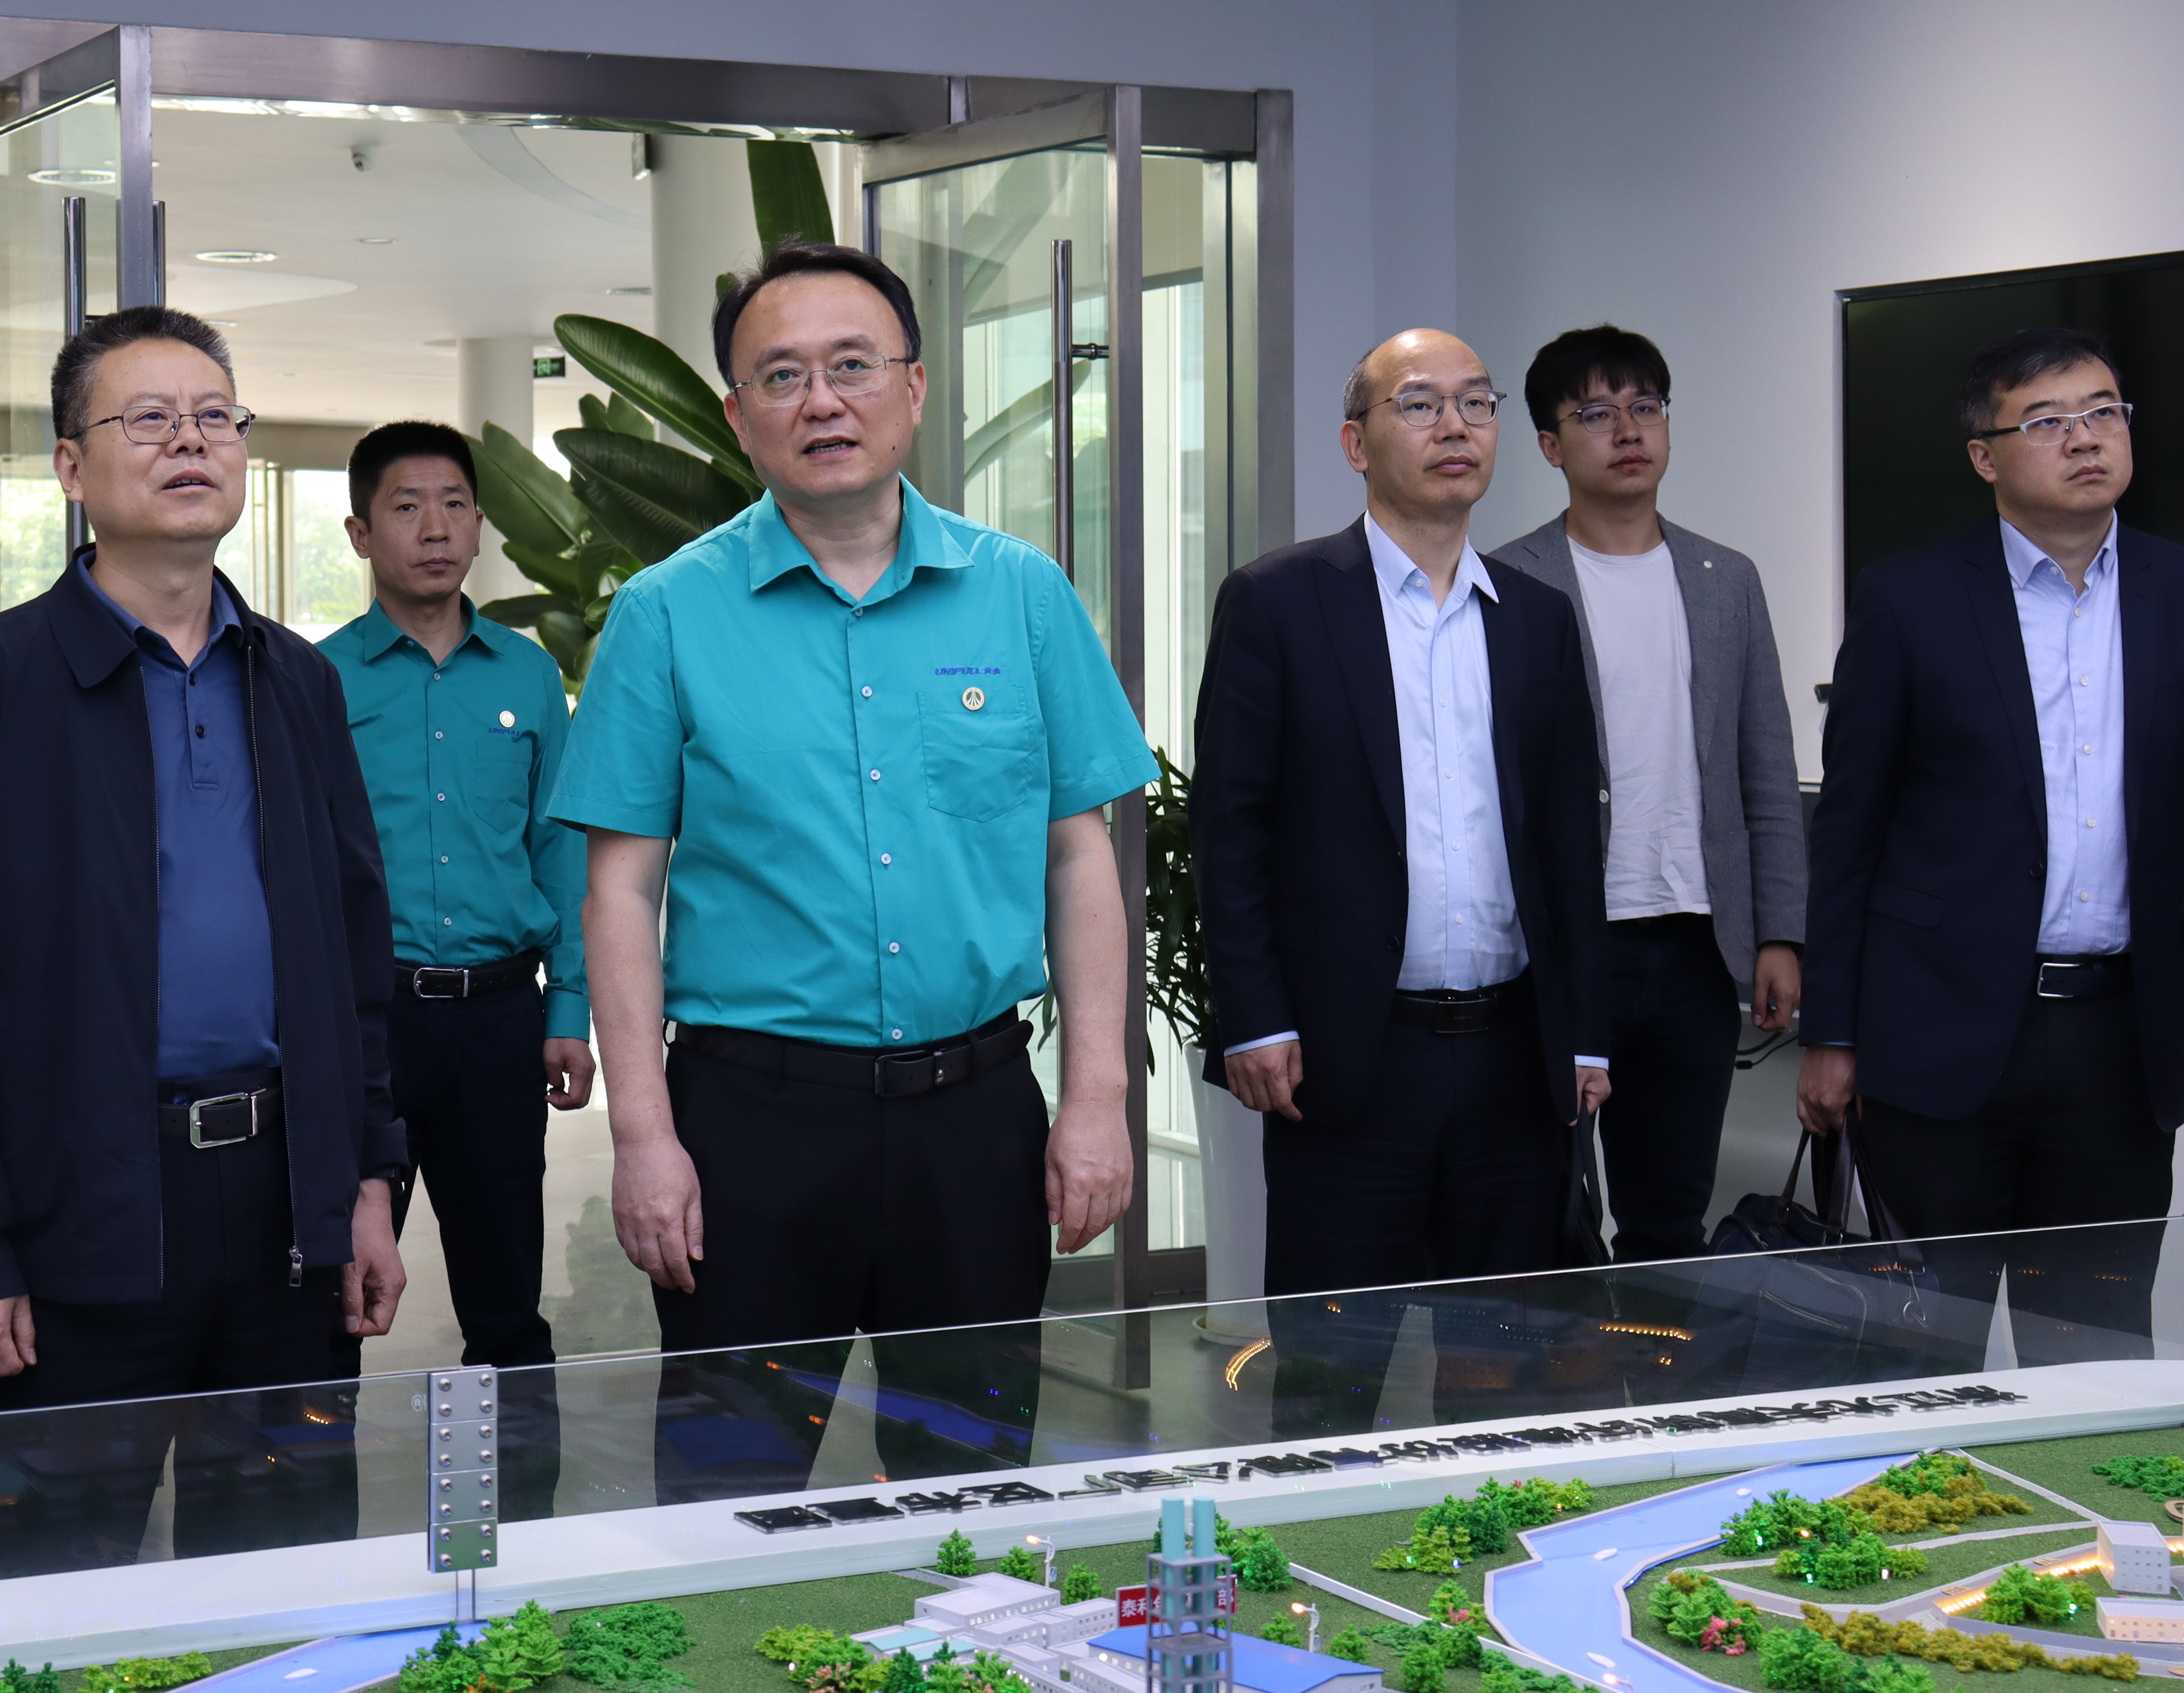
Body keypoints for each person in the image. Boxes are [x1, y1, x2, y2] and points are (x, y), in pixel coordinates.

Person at [548, 241, 1155, 1504]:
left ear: (913, 387)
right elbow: (620, 892)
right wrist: (644, 1137)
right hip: (751, 1126)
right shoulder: (666, 611)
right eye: (782, 375)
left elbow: (1078, 854)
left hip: (974, 1117)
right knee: (728, 1489)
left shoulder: (1022, 594)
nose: (821, 400)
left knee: (973, 1481)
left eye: (852, 366)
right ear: (738, 415)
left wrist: (1098, 1096)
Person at [0, 306, 409, 1575]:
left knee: (282, 1575)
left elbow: (354, 956)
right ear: (71, 465)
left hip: (284, 1212)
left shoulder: (297, 681)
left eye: (216, 416)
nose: (191, 441)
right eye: (149, 418)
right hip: (80, 1213)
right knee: (61, 1588)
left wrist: (367, 1182)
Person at [1192, 327, 1606, 1435]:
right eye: (1419, 404)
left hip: (1514, 1062)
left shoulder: (1538, 618)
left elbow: (1570, 841)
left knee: (1505, 1375)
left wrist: (1584, 1036)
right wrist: (1256, 1016)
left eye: (1476, 403)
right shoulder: (1279, 602)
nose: (1455, 426)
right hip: (1348, 1059)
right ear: (1355, 442)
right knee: (1332, 1380)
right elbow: (1230, 829)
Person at [1802, 326, 2183, 1368]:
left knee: (2097, 1351)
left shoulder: (2172, 588)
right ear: (1985, 455)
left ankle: (2099, 1489)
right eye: (2049, 421)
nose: (2087, 439)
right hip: (1941, 1034)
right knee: (1926, 1352)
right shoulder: (1910, 598)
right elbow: (1851, 828)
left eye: (2104, 412)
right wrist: (1831, 1032)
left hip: (2120, 1041)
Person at [321, 419, 591, 1517]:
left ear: (480, 525)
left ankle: (520, 1533)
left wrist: (570, 1007)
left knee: (507, 1299)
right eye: (405, 506)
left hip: (496, 1019)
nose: (434, 528)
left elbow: (561, 849)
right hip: (364, 1026)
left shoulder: (526, 674)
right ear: (360, 532)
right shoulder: (317, 679)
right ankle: (309, 1537)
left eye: (453, 505)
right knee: (334, 1294)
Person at [1494, 326, 1806, 1263]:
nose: (1629, 431)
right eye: (1596, 413)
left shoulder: (1726, 579)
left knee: (1670, 1219)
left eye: (1646, 407)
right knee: (1542, 1213)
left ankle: (1661, 1363)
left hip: (1694, 948)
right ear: (1550, 445)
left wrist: (1781, 934)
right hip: (1559, 948)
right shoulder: (1508, 582)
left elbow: (1765, 769)